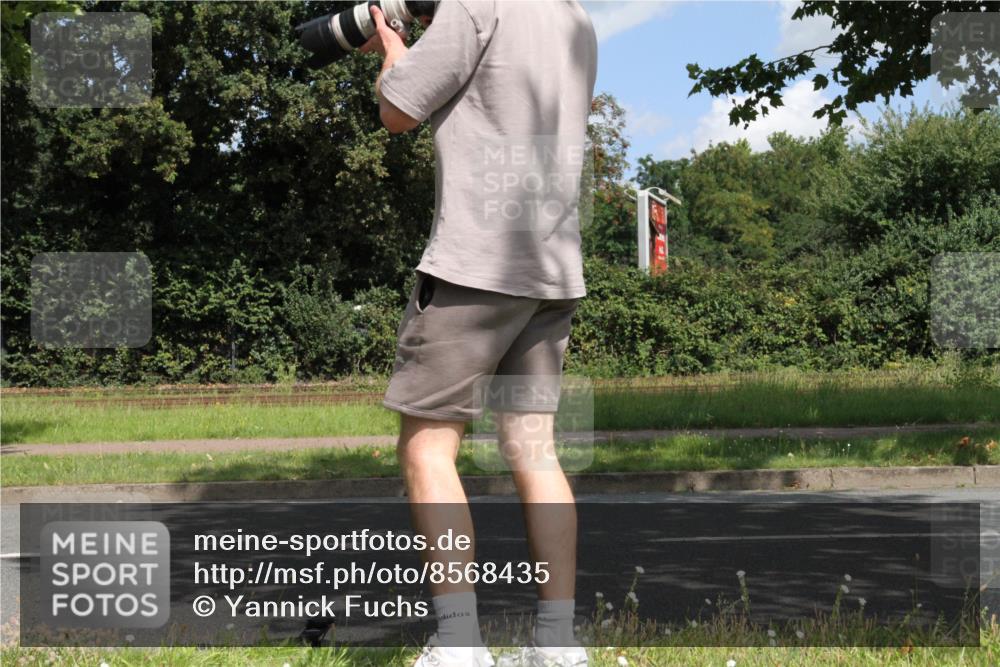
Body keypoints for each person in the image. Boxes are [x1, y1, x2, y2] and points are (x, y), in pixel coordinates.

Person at [362, 1, 597, 665]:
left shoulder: (477, 3)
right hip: (551, 268)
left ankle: (459, 644)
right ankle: (556, 644)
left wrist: (390, 46)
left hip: (475, 265)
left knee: (428, 448)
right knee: (535, 450)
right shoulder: (575, 17)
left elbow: (398, 108)